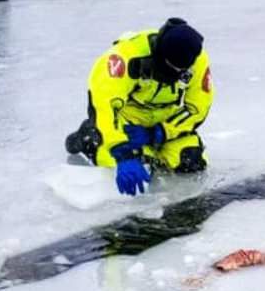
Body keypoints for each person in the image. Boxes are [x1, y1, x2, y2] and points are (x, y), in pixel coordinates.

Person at [65, 18, 214, 196]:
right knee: (130, 166)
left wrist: (161, 132)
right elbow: (104, 106)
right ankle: (89, 136)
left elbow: (197, 108)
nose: (175, 75)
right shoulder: (126, 58)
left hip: (164, 123)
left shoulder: (196, 60)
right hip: (127, 122)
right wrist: (123, 154)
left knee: (191, 162)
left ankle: (151, 149)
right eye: (171, 68)